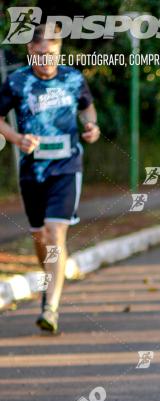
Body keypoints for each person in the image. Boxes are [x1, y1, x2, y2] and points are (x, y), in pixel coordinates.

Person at [0, 24, 100, 333]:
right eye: (40, 54)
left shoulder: (73, 78)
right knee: (40, 237)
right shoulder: (17, 82)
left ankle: (51, 306)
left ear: (60, 50)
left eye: (52, 53)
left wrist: (91, 127)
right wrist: (16, 138)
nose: (46, 60)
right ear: (31, 51)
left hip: (67, 167)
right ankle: (51, 280)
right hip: (33, 170)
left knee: (56, 233)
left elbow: (88, 109)